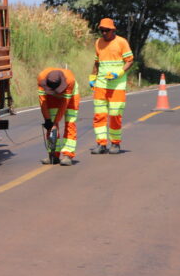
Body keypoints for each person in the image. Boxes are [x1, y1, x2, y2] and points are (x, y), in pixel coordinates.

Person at [90, 18, 134, 155]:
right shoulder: (98, 42)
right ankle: (101, 144)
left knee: (115, 114)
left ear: (113, 30)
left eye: (106, 30)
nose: (103, 33)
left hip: (117, 85)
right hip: (101, 85)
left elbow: (130, 61)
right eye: (101, 30)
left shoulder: (121, 42)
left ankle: (115, 143)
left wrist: (118, 73)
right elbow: (97, 62)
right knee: (99, 115)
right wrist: (92, 77)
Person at [37, 67, 80, 166]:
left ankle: (68, 155)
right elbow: (43, 102)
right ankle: (53, 155)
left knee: (70, 123)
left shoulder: (70, 80)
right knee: (50, 125)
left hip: (70, 97)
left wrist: (56, 122)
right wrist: (48, 120)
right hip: (50, 97)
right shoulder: (41, 79)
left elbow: (64, 105)